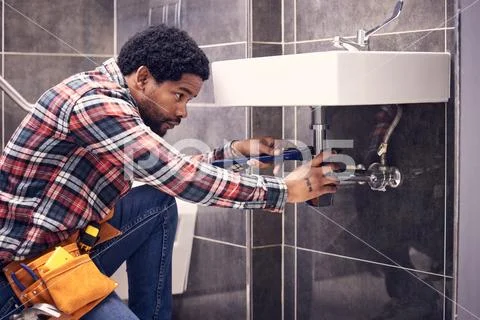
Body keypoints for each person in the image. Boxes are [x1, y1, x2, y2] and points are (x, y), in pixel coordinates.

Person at [0, 24, 338, 319]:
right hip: (21, 279)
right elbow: (178, 176)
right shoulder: (94, 103)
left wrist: (234, 152)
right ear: (144, 78)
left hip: (63, 256)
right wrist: (284, 190)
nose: (183, 112)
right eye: (179, 95)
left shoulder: (112, 96)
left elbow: (160, 175)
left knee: (155, 201)